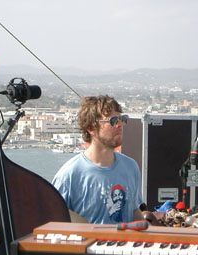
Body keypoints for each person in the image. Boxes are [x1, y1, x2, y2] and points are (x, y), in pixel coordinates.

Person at [52, 95, 144, 224]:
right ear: (91, 128)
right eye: (113, 121)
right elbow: (53, 215)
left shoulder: (131, 167)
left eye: (122, 119)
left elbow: (134, 211)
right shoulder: (69, 174)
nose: (120, 125)